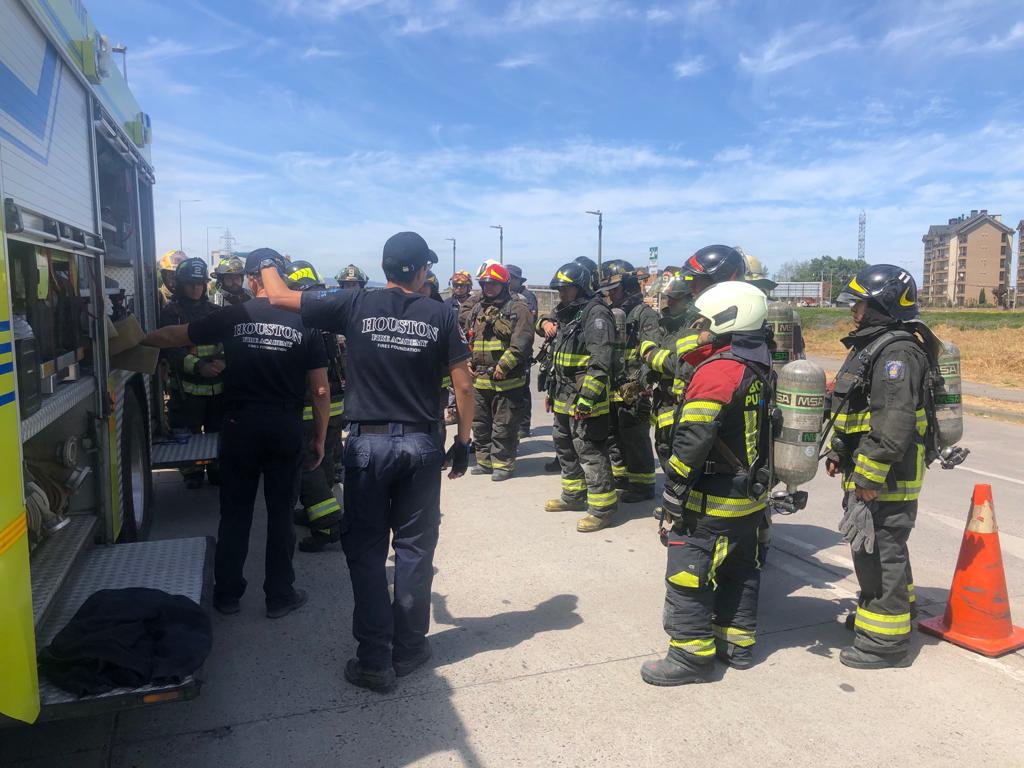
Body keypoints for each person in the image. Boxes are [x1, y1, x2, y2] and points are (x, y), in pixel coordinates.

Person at [260, 231, 474, 693]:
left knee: (368, 551)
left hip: (367, 446)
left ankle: (375, 659)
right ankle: (411, 648)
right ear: (420, 271)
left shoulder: (354, 303)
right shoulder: (442, 313)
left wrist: (264, 261)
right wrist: (464, 441)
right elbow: (465, 385)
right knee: (416, 550)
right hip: (421, 445)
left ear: (386, 266)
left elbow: (276, 295)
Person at [144, 248, 329, 619]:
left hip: (239, 426)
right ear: (282, 277)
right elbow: (321, 390)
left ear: (250, 279)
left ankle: (227, 595)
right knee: (280, 514)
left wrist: (136, 340)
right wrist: (320, 439)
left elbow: (175, 335)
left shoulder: (233, 315)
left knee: (235, 513)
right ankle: (279, 595)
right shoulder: (304, 321)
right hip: (284, 426)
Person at [641, 281, 772, 686]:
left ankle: (690, 657)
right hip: (748, 497)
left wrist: (674, 490)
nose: (698, 327)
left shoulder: (718, 370)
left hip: (712, 497)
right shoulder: (758, 363)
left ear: (726, 320)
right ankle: (736, 644)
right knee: (739, 569)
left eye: (704, 321)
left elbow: (693, 438)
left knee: (689, 572)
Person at [825, 265, 929, 669]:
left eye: (862, 303)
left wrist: (868, 477)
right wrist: (838, 451)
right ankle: (884, 616)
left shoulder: (896, 353)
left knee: (879, 551)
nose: (855, 310)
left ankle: (884, 643)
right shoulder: (875, 345)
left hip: (888, 477)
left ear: (882, 304)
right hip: (873, 472)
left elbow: (893, 421)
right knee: (879, 547)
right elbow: (856, 412)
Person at [540, 262, 617, 533]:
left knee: (590, 450)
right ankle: (573, 496)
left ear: (581, 287)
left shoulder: (596, 314)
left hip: (585, 399)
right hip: (562, 394)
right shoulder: (567, 312)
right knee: (565, 447)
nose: (561, 293)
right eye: (558, 289)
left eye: (566, 288)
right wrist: (551, 391)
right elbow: (558, 356)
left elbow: (601, 359)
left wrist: (587, 398)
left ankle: (602, 510)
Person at [286, 264, 347, 553]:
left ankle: (326, 526)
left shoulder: (303, 322)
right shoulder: (329, 318)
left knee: (308, 465)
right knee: (323, 464)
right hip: (334, 406)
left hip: (313, 407)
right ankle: (316, 513)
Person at [159, 257, 225, 489]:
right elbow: (170, 349)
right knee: (188, 433)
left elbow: (229, 343)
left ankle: (217, 468)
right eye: (191, 284)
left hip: (218, 388)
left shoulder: (216, 312)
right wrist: (198, 366)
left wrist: (222, 362)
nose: (197, 288)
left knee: (219, 432)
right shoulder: (171, 313)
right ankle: (193, 471)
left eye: (200, 283)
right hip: (186, 390)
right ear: (180, 284)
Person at [465, 263, 533, 481]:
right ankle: (484, 462)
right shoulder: (477, 309)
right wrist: (467, 360)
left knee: (504, 425)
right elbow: (467, 338)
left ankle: (503, 464)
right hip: (480, 380)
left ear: (503, 283)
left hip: (507, 381)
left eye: (493, 283)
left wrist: (503, 366)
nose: (488, 287)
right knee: (480, 424)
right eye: (485, 283)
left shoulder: (517, 309)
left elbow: (522, 343)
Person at [598, 260, 659, 503]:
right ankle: (623, 478)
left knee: (635, 438)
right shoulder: (610, 313)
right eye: (609, 290)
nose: (611, 294)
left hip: (634, 387)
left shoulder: (644, 315)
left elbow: (652, 352)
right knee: (614, 435)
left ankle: (643, 486)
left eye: (615, 288)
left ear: (629, 285)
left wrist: (642, 385)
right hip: (612, 385)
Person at [506, 264, 537, 437]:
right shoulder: (505, 296)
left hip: (522, 351)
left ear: (518, 280)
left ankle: (524, 425)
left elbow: (528, 323)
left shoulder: (527, 297)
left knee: (523, 388)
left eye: (512, 278)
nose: (509, 281)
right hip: (507, 350)